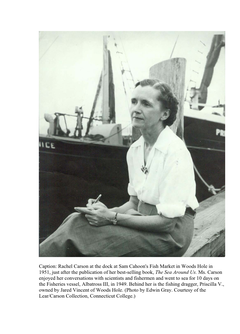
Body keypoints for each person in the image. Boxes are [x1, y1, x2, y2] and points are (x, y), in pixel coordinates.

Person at [39, 79, 199, 257]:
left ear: (164, 114)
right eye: (134, 101)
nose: (136, 109)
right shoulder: (135, 150)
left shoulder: (175, 151)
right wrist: (103, 211)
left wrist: (111, 217)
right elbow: (134, 203)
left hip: (170, 235)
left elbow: (167, 224)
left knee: (80, 235)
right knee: (76, 220)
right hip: (143, 218)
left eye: (146, 104)